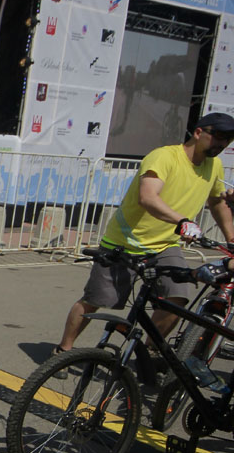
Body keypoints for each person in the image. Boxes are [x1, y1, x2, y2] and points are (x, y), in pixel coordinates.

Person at [55, 112, 234, 354]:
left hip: (164, 245)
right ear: (199, 132)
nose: (222, 144)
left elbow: (216, 202)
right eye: (219, 136)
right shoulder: (164, 157)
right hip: (125, 241)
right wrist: (181, 220)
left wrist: (231, 238)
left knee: (178, 298)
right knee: (95, 301)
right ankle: (64, 350)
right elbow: (147, 197)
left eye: (228, 139)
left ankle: (147, 352)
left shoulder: (215, 166)